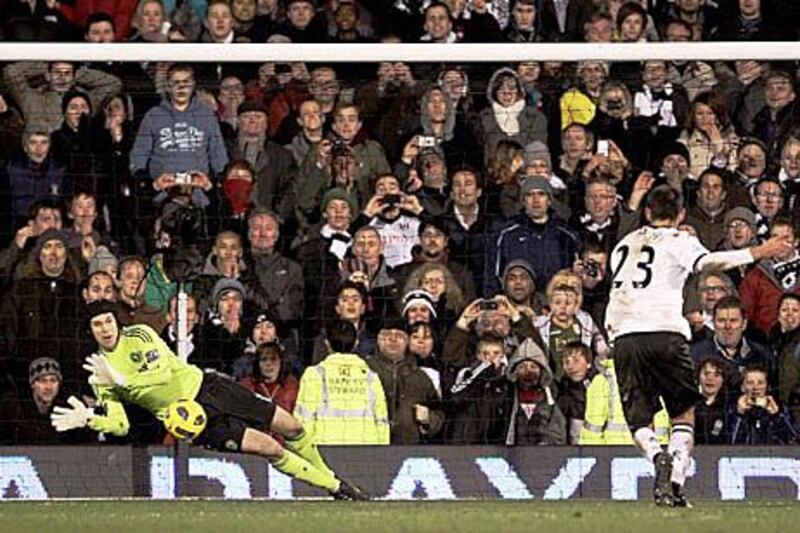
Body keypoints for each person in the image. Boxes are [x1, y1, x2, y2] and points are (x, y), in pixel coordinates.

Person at [50, 301, 369, 500]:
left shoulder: (140, 335)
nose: (104, 328)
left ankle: (332, 477)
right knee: (270, 448)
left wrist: (122, 380)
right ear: (90, 331)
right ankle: (336, 488)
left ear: (116, 322)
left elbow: (161, 372)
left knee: (292, 426)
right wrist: (91, 417)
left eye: (107, 321)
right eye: (97, 324)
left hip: (209, 388)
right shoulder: (99, 374)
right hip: (192, 422)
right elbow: (120, 425)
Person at [605, 184, 791, 506]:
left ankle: (656, 457)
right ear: (680, 215)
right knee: (683, 413)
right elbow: (708, 263)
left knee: (639, 419)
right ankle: (675, 478)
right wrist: (758, 252)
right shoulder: (680, 240)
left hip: (624, 336)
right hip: (664, 333)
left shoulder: (624, 244)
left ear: (648, 213)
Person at [294, 320, 390, 445]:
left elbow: (304, 420)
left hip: (324, 451)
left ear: (327, 343)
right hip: (366, 454)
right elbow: (382, 423)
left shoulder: (314, 374)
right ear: (356, 343)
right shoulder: (370, 377)